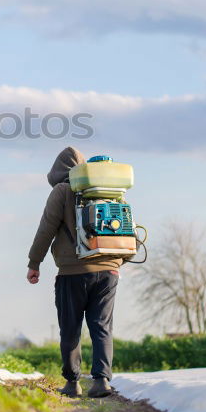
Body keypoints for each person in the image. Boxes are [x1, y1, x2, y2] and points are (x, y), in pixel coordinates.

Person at [26, 146, 123, 398]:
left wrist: (34, 262)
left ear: (57, 171)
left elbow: (46, 229)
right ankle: (102, 381)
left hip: (72, 272)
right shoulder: (108, 190)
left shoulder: (62, 191)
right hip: (109, 269)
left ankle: (72, 382)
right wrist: (119, 261)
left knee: (70, 327)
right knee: (102, 327)